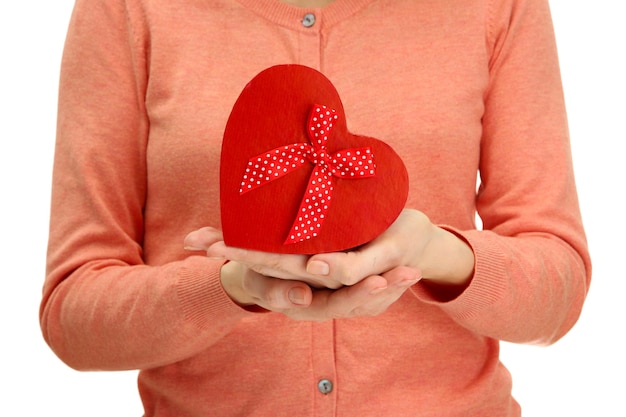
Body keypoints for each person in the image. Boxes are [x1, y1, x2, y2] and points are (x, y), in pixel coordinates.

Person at [41, 0, 591, 415]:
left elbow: (557, 293)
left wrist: (433, 253)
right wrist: (231, 287)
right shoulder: (127, 10)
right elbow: (74, 313)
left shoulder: (496, 7)